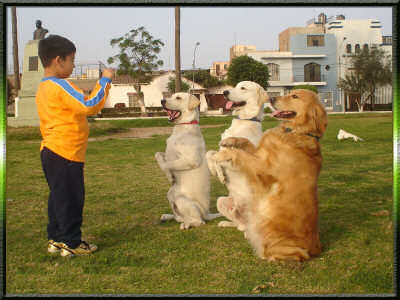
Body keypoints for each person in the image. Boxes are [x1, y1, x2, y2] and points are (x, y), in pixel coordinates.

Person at [36, 35, 114, 257]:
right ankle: (72, 242)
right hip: (65, 153)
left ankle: (57, 239)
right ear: (59, 60)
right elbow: (89, 104)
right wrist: (105, 80)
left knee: (58, 197)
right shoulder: (60, 85)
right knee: (71, 198)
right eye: (71, 61)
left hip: (52, 151)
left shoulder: (44, 87)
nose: (72, 66)